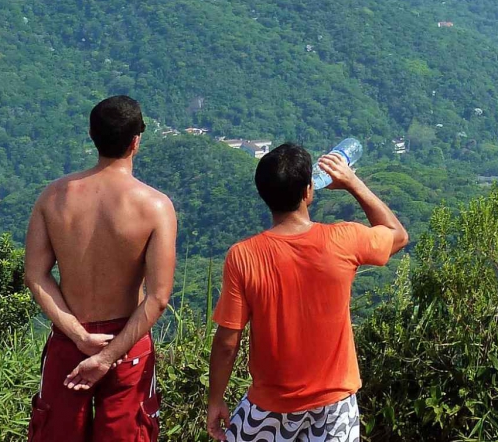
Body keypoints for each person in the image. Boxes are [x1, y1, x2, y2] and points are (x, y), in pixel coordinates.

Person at [206, 143, 408, 442]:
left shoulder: (243, 256)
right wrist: (352, 182)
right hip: (335, 405)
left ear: (263, 195)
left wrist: (216, 401)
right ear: (308, 191)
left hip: (270, 405)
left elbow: (227, 342)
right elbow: (398, 235)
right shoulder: (344, 239)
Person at [23, 95, 178, 441]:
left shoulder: (53, 197)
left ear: (92, 136)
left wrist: (79, 336)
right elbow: (158, 298)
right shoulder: (155, 207)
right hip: (128, 342)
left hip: (69, 339)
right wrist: (108, 355)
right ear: (136, 141)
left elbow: (35, 275)